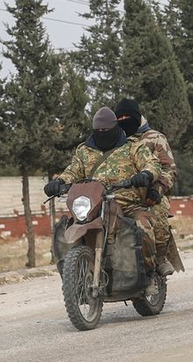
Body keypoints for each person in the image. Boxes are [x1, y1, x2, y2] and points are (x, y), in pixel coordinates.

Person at [44, 107, 161, 276]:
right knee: (64, 228)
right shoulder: (84, 151)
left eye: (105, 130)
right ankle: (76, 278)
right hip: (93, 204)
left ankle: (149, 274)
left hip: (125, 202)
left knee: (143, 226)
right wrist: (59, 182)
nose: (102, 133)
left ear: (115, 128)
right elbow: (73, 170)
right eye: (98, 130)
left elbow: (152, 164)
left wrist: (145, 174)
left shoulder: (133, 148)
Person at [113, 98, 178, 275]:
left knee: (157, 216)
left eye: (127, 116)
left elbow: (169, 168)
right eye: (120, 117)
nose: (123, 120)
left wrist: (158, 188)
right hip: (120, 194)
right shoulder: (114, 140)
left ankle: (160, 257)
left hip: (149, 194)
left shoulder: (155, 138)